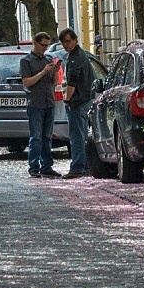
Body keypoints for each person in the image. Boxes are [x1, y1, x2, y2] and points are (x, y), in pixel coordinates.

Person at [20, 31, 60, 178]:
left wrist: (55, 72)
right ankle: (34, 166)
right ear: (35, 43)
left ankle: (47, 166)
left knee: (47, 137)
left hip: (49, 102)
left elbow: (53, 83)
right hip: (35, 103)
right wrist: (43, 72)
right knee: (36, 137)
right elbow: (26, 82)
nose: (45, 48)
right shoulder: (26, 61)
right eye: (43, 45)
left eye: (47, 45)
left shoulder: (48, 59)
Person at [59, 28, 94, 178]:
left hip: (78, 102)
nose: (65, 45)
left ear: (75, 40)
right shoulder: (81, 55)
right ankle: (84, 165)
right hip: (84, 99)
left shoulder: (75, 58)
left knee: (77, 136)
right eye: (63, 42)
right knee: (82, 135)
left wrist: (67, 99)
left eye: (68, 41)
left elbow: (72, 82)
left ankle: (78, 167)